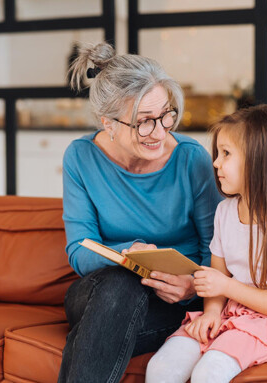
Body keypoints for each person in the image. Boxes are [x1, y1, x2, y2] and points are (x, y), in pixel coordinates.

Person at [58, 42, 222, 383]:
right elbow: (79, 249)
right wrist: (130, 255)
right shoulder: (81, 157)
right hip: (96, 293)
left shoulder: (191, 159)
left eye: (166, 115)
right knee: (122, 283)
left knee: (105, 323)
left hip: (172, 303)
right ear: (109, 124)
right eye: (144, 122)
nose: (160, 132)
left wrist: (193, 286)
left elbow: (216, 247)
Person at [146, 105, 267, 383]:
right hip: (230, 313)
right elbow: (216, 278)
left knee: (209, 373)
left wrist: (226, 287)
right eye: (218, 153)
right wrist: (212, 312)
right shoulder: (225, 212)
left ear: (259, 161)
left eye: (226, 154)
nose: (215, 163)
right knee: (161, 367)